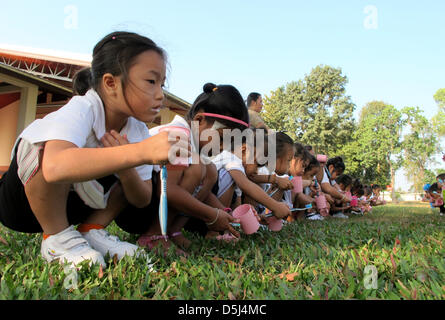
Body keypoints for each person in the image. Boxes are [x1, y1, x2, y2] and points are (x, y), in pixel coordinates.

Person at [0, 31, 190, 267]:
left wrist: (128, 167)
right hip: (22, 207)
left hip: (78, 205)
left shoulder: (138, 130)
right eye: (151, 82)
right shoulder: (82, 108)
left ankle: (92, 230)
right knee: (40, 146)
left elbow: (142, 199)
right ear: (110, 83)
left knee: (122, 162)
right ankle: (56, 238)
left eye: (162, 84)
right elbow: (54, 167)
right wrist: (138, 152)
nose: (161, 95)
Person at [127, 83, 250, 253]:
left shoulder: (193, 144)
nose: (223, 147)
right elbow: (168, 190)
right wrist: (211, 215)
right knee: (198, 167)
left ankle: (172, 231)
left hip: (150, 203)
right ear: (199, 120)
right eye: (221, 138)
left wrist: (229, 215)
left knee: (210, 170)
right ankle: (154, 234)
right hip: (134, 205)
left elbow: (204, 194)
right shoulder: (178, 135)